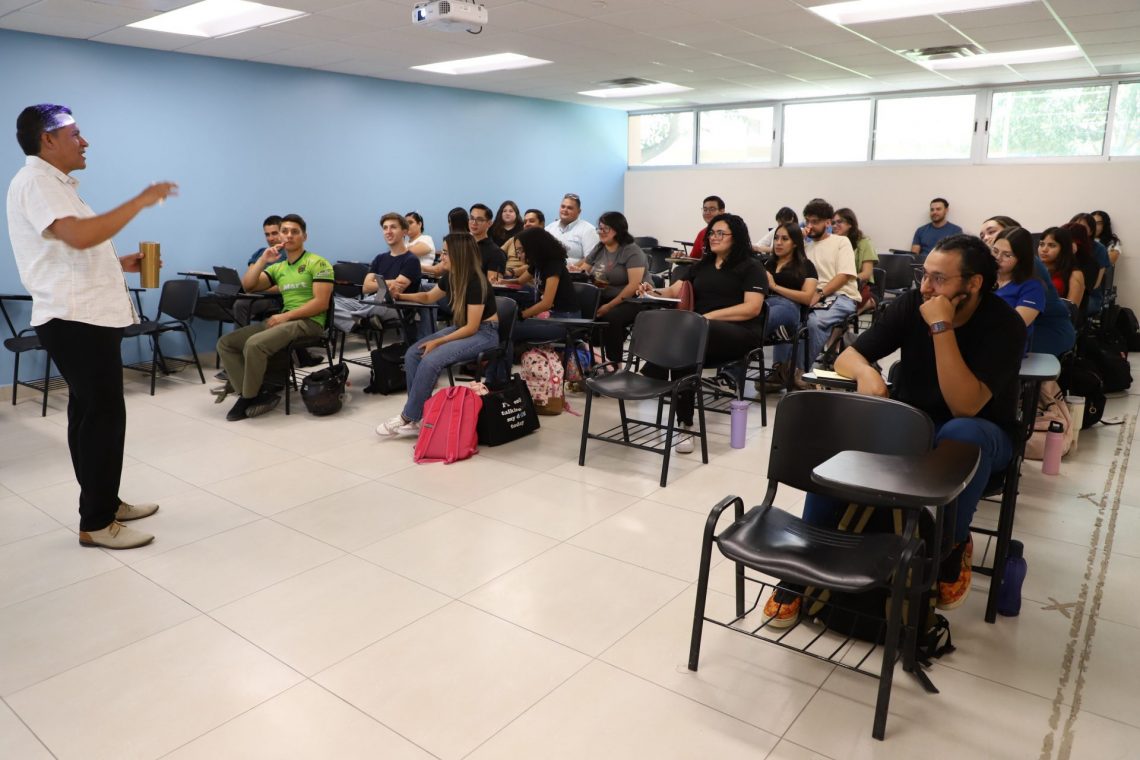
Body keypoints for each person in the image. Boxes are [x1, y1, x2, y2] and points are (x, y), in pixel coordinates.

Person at [763, 234, 1025, 627]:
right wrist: (866, 372)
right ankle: (804, 560)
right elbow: (850, 355)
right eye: (924, 275)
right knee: (842, 436)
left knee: (961, 431)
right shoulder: (912, 303)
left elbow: (965, 405)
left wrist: (941, 327)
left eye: (939, 279)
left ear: (973, 284)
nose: (926, 287)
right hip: (915, 423)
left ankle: (951, 545)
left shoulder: (1004, 325)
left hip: (984, 436)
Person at [6, 103, 177, 549]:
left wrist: (117, 262)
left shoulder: (55, 186)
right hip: (76, 319)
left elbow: (67, 249)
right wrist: (140, 200)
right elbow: (81, 235)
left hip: (82, 317)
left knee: (88, 415)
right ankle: (97, 523)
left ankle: (104, 501)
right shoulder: (38, 182)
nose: (85, 142)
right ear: (48, 139)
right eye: (75, 134)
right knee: (103, 418)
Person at [637, 213, 766, 453]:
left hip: (740, 333)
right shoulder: (701, 265)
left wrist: (708, 317)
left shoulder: (751, 267)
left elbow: (752, 308)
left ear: (736, 237)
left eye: (721, 233)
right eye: (711, 233)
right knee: (684, 352)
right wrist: (652, 291)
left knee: (687, 336)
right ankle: (685, 425)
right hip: (698, 335)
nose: (714, 237)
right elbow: (674, 291)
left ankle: (652, 373)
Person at [377, 232, 500, 437]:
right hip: (464, 328)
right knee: (413, 353)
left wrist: (438, 341)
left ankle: (409, 416)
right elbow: (427, 297)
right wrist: (400, 295)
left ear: (459, 255)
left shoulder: (476, 282)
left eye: (445, 253)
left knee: (431, 360)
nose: (441, 257)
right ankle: (418, 414)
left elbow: (472, 327)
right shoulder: (452, 277)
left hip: (484, 333)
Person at [216, 214, 333, 421]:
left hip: (310, 322)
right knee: (226, 343)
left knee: (254, 344)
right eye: (284, 231)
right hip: (286, 320)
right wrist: (262, 260)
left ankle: (247, 398)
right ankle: (253, 393)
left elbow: (321, 303)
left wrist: (285, 316)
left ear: (304, 236)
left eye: (295, 232)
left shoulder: (318, 263)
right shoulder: (278, 267)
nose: (289, 235)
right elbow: (248, 286)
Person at [980, 214, 1075, 356]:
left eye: (991, 232)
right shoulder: (993, 269)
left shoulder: (1031, 273)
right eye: (982, 235)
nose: (986, 238)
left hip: (1046, 330)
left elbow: (1013, 326)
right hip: (1012, 330)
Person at [332, 212, 421, 337]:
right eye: (385, 228)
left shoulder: (411, 260)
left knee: (380, 300)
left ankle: (355, 319)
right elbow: (365, 288)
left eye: (393, 227)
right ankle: (362, 322)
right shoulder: (380, 258)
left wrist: (379, 284)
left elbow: (395, 290)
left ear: (404, 232)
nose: (388, 231)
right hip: (371, 303)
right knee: (331, 303)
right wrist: (390, 282)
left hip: (395, 306)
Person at [580, 211, 650, 362]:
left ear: (618, 229)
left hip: (634, 299)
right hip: (604, 295)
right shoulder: (600, 247)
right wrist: (576, 271)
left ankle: (614, 364)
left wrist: (609, 306)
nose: (601, 232)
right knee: (580, 309)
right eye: (599, 228)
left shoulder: (631, 250)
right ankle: (587, 359)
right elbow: (584, 270)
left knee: (611, 317)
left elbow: (634, 285)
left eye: (605, 228)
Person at [801, 198, 859, 377]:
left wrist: (819, 293)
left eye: (815, 222)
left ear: (827, 223)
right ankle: (781, 369)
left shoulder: (841, 242)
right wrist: (797, 242)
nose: (810, 226)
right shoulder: (804, 246)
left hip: (841, 296)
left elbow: (844, 275)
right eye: (807, 221)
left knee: (815, 322)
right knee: (788, 319)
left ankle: (799, 372)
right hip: (811, 295)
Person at [762, 223, 818, 390]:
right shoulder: (768, 263)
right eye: (776, 238)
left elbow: (807, 298)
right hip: (765, 303)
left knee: (766, 316)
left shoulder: (806, 266)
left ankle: (752, 336)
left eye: (785, 239)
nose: (778, 242)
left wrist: (775, 286)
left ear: (795, 243)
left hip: (790, 308)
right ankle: (780, 368)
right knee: (755, 311)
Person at [508, 227, 582, 352]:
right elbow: (520, 281)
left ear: (533, 247)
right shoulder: (538, 263)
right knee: (507, 326)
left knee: (509, 328)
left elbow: (546, 303)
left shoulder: (553, 264)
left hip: (565, 321)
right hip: (551, 317)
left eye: (521, 250)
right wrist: (501, 281)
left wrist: (521, 315)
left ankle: (503, 363)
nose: (518, 255)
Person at [992, 226, 1044, 354]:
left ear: (1021, 259)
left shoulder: (1032, 287)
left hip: (1005, 350)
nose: (998, 258)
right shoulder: (983, 279)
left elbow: (1014, 327)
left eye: (1007, 255)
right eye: (995, 251)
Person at [832, 207, 878, 314]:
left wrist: (844, 280)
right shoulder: (832, 243)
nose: (834, 225)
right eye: (833, 222)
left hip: (858, 285)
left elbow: (867, 273)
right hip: (837, 285)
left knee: (842, 311)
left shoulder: (864, 243)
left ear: (850, 224)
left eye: (839, 222)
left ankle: (867, 304)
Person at [1069, 212, 1110, 314]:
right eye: (1074, 226)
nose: (1077, 230)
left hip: (1089, 296)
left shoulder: (1099, 249)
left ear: (1091, 231)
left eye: (1082, 227)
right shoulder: (1064, 245)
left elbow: (1095, 284)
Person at [1039, 226, 1084, 315]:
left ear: (1064, 248)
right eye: (1041, 244)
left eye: (1052, 245)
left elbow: (1071, 312)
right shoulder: (1035, 268)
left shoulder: (1075, 274)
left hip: (1055, 319)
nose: (1044, 249)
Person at [547, 193, 598, 266]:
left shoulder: (589, 230)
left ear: (579, 211)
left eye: (569, 208)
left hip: (575, 272)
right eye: (563, 206)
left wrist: (570, 270)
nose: (565, 210)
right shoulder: (550, 228)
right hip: (549, 271)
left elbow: (591, 258)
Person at [468, 203, 507, 282]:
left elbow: (493, 285)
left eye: (479, 219)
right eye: (471, 218)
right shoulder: (461, 245)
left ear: (489, 223)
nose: (474, 222)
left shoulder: (496, 253)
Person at [502, 208, 545, 279]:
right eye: (525, 222)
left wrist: (511, 272)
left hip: (525, 281)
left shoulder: (545, 243)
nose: (527, 224)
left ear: (541, 224)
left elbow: (534, 266)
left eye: (531, 221)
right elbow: (498, 254)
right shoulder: (514, 239)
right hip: (505, 275)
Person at [689, 195, 724, 259]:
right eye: (705, 210)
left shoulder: (729, 231)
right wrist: (681, 257)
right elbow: (693, 259)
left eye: (712, 209)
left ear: (721, 212)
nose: (707, 213)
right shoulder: (702, 233)